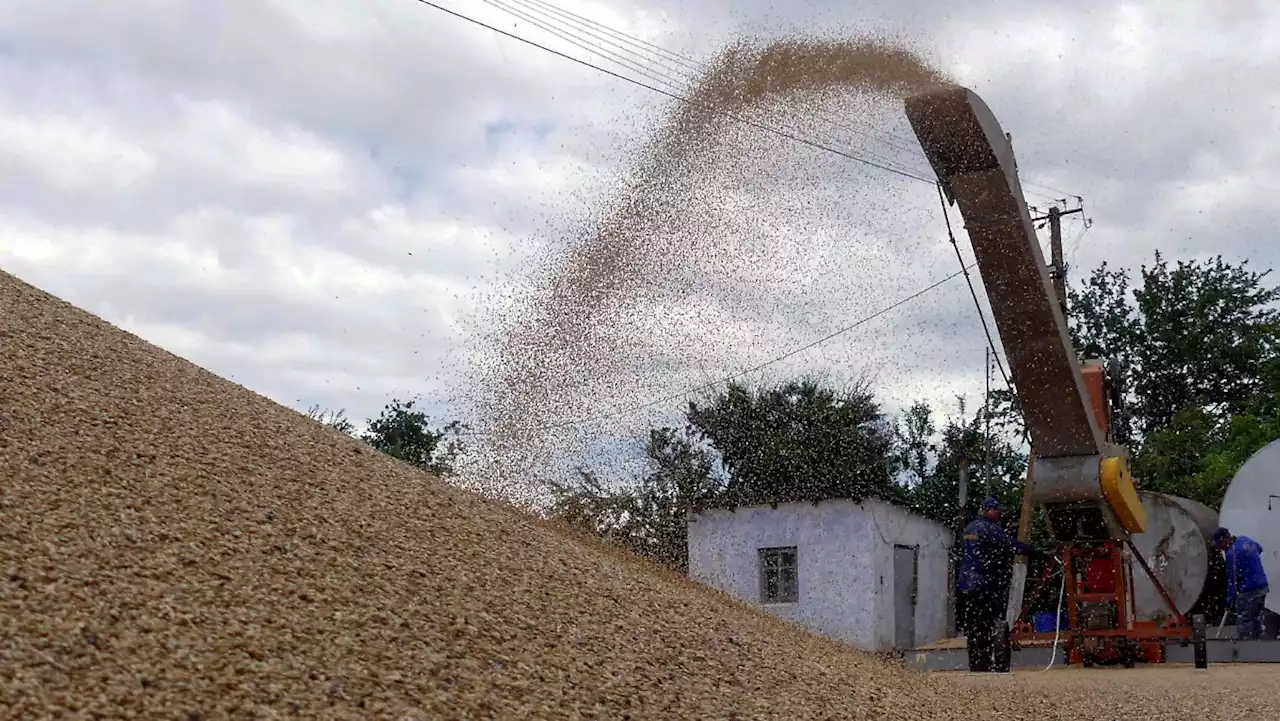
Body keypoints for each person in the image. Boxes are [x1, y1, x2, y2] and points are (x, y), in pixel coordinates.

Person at [957, 496, 1046, 672]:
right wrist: (1036, 551)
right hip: (985, 583)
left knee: (974, 626)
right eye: (997, 511)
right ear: (988, 510)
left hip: (967, 583)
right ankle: (989, 662)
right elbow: (1010, 545)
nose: (999, 514)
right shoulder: (990, 529)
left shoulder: (969, 528)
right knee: (988, 623)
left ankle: (977, 664)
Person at [1212, 527, 1269, 640]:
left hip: (1249, 591)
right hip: (1262, 587)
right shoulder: (1245, 539)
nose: (1220, 549)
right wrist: (1249, 563)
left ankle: (1246, 650)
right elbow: (1259, 549)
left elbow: (1232, 581)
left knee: (1245, 622)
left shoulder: (1231, 554)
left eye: (1220, 545)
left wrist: (1229, 601)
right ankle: (1259, 646)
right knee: (1257, 619)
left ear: (1224, 540)